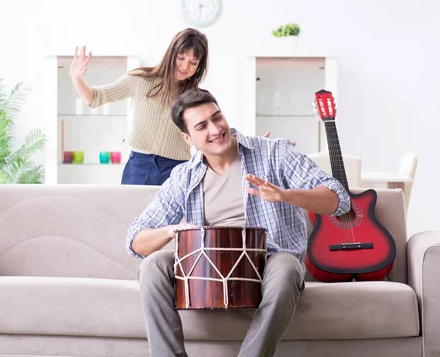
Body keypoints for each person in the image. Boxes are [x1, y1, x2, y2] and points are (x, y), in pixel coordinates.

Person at [126, 88, 351, 357]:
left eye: (217, 117)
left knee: (288, 266)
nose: (215, 129)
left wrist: (285, 195)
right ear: (188, 138)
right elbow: (135, 240)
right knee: (152, 265)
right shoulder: (183, 176)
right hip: (207, 267)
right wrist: (171, 231)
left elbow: (339, 199)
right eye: (202, 126)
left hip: (269, 261)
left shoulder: (273, 153)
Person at [69, 28, 209, 185]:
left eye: (193, 63)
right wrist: (76, 78)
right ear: (171, 53)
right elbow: (96, 98)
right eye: (181, 57)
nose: (185, 66)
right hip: (139, 166)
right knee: (130, 210)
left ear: (199, 66)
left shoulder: (195, 97)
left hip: (177, 170)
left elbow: (204, 136)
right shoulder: (141, 79)